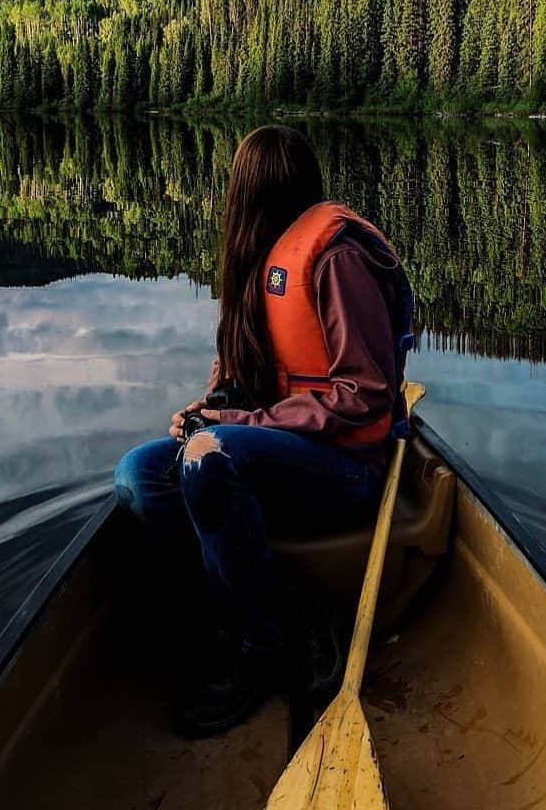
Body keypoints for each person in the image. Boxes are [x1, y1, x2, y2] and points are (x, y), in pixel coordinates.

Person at [112, 124, 413, 737]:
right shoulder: (261, 267)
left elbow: (366, 396)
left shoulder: (335, 260)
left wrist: (229, 427)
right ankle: (287, 605)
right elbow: (238, 387)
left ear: (249, 193)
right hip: (267, 452)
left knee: (208, 458)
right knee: (137, 477)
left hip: (347, 467)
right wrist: (204, 409)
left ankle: (261, 647)